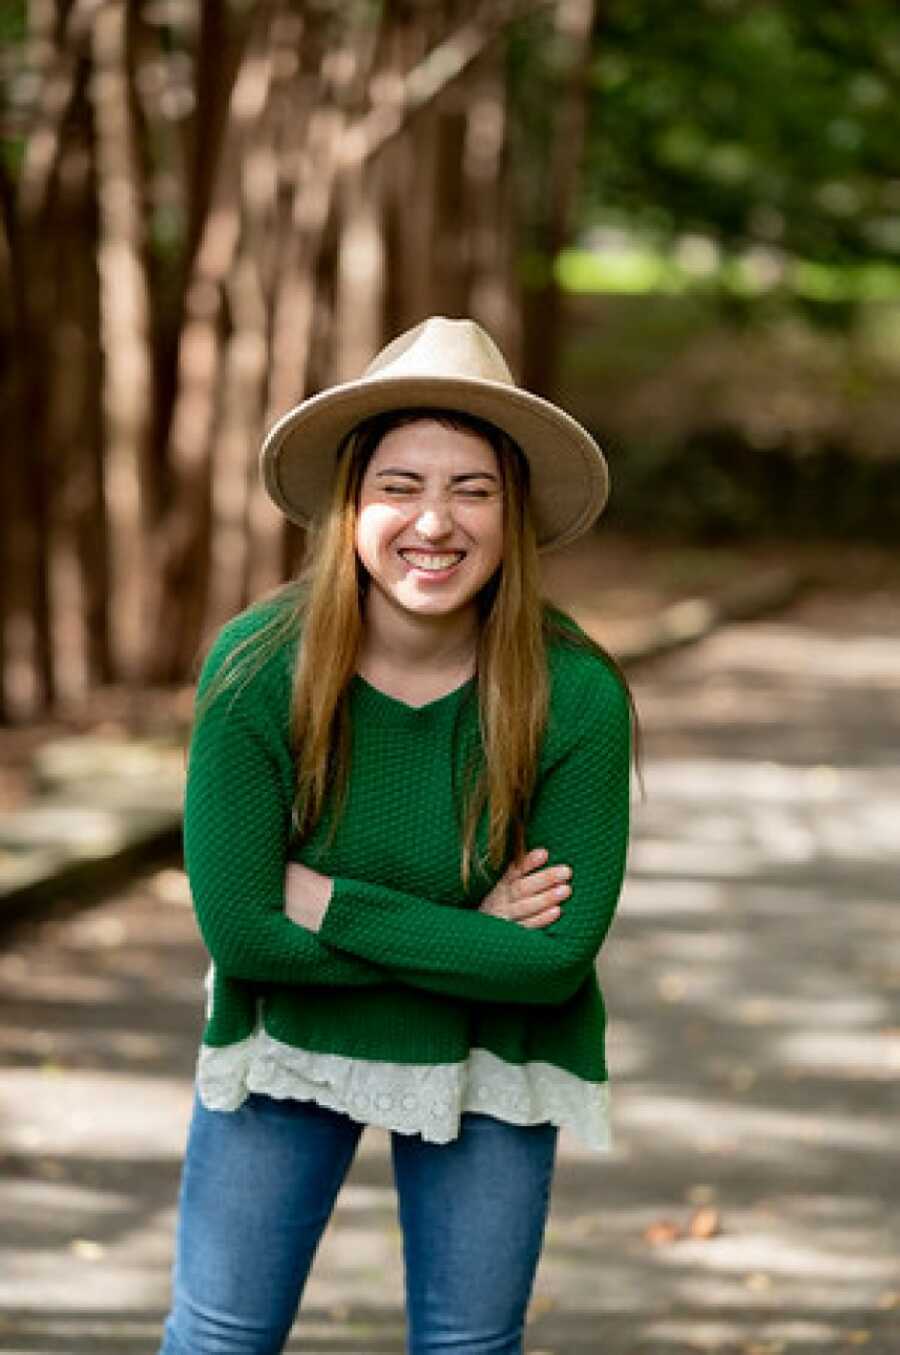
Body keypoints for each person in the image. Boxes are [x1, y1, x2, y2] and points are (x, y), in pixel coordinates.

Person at [158, 316, 634, 1355]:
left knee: (469, 1346)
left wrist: (325, 896)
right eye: (400, 485)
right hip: (289, 1050)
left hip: (496, 1058)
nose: (435, 521)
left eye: (473, 488)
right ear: (351, 505)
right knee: (220, 1336)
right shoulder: (255, 668)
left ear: (513, 516)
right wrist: (471, 935)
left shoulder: (578, 693)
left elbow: (551, 962)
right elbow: (242, 936)